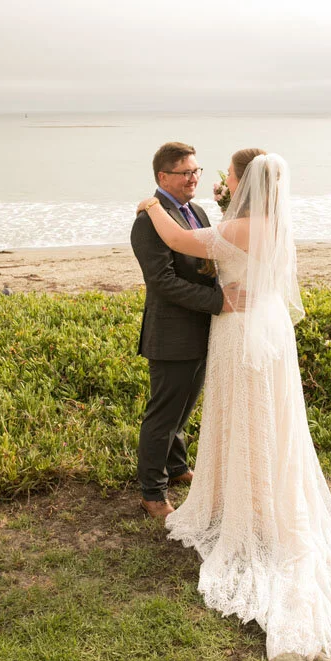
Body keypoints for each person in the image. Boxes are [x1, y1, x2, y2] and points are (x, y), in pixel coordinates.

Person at [135, 149, 331, 661]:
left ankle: (248, 500)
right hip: (260, 328)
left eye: (223, 174)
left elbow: (181, 241)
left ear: (243, 182)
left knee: (246, 415)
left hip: (242, 331)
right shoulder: (265, 222)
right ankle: (220, 484)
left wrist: (150, 205)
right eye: (197, 173)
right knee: (255, 416)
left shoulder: (240, 225)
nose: (214, 181)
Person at [130, 141, 241, 520]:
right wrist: (219, 302)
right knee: (162, 416)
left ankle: (176, 468)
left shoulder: (195, 210)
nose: (194, 177)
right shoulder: (149, 221)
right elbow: (162, 281)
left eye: (196, 170)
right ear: (164, 177)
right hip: (172, 334)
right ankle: (152, 493)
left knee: (184, 409)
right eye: (185, 172)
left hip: (202, 330)